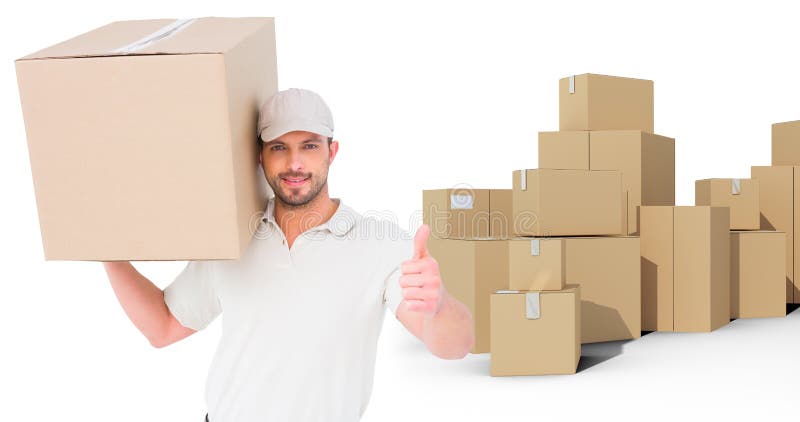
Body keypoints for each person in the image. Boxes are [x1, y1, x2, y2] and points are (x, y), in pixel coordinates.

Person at [102, 88, 474, 422]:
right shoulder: (233, 239)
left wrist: (439, 304)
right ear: (260, 156)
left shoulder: (381, 245)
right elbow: (163, 326)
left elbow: (454, 346)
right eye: (279, 147)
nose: (295, 164)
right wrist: (106, 253)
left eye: (309, 146)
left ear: (332, 151)